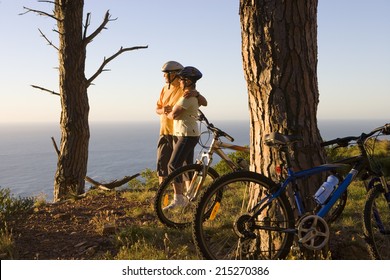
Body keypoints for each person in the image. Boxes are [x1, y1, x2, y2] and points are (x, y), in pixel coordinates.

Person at [155, 61, 207, 185]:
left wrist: (197, 94)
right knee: (162, 165)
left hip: (179, 132)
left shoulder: (184, 88)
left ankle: (185, 197)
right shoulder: (164, 89)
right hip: (165, 131)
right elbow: (157, 109)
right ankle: (162, 195)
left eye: (165, 73)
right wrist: (163, 110)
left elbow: (204, 102)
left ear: (173, 74)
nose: (163, 76)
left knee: (184, 167)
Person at [164, 66, 204, 209]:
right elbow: (204, 102)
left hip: (186, 135)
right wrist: (197, 94)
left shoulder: (188, 97)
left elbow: (174, 115)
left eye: (181, 79)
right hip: (189, 134)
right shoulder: (191, 95)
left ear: (187, 81)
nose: (180, 82)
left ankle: (179, 199)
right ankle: (190, 197)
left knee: (173, 165)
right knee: (187, 165)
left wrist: (167, 113)